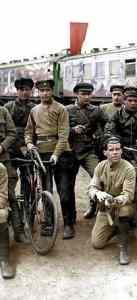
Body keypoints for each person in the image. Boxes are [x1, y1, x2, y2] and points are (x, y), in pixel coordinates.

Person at [25, 80, 75, 239]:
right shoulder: (34, 110)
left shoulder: (61, 109)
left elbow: (63, 134)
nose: (44, 93)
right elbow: (28, 132)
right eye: (41, 91)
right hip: (42, 155)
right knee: (45, 190)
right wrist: (29, 144)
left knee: (64, 191)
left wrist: (56, 154)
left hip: (61, 154)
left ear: (52, 91)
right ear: (38, 93)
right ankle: (49, 223)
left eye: (47, 90)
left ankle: (68, 224)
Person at [88, 137, 136, 265]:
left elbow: (128, 195)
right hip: (105, 208)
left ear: (121, 151)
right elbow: (91, 187)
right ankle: (116, 228)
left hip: (123, 205)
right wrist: (98, 194)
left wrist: (114, 200)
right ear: (105, 152)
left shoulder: (129, 169)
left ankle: (124, 248)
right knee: (97, 243)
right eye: (111, 150)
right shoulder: (100, 166)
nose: (115, 152)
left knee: (123, 213)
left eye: (117, 149)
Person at [67, 82, 108, 220]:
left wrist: (101, 136)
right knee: (68, 185)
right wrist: (72, 130)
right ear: (76, 94)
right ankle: (70, 218)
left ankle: (93, 204)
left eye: (89, 94)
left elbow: (108, 125)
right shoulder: (67, 110)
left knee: (99, 178)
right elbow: (59, 129)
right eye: (83, 94)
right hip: (70, 151)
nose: (86, 97)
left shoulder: (97, 110)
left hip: (88, 150)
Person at [4, 77, 35, 243]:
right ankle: (12, 218)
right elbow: (8, 132)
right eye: (22, 89)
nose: (25, 92)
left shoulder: (34, 108)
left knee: (28, 185)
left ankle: (27, 217)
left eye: (28, 89)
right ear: (17, 91)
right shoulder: (8, 107)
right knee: (9, 186)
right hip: (10, 152)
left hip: (27, 152)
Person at [0, 106, 16, 279]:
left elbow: (12, 133)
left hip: (3, 159)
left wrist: (2, 147)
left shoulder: (3, 111)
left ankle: (4, 258)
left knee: (9, 197)